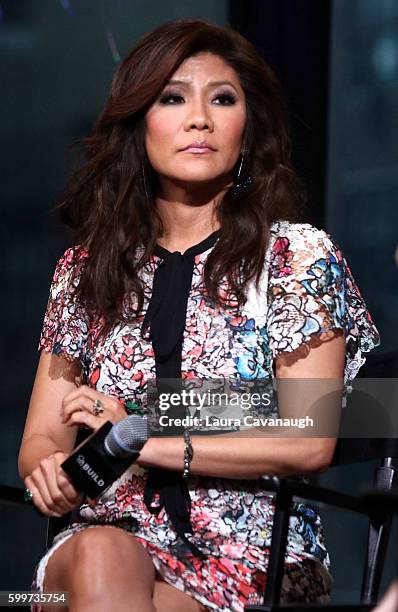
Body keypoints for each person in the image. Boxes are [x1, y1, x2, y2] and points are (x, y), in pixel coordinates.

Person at [18, 19, 381, 612]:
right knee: (102, 556)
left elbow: (309, 436)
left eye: (222, 98)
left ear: (247, 126)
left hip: (257, 561)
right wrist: (51, 473)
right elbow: (40, 439)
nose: (199, 119)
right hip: (96, 542)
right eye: (172, 97)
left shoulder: (296, 256)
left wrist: (142, 439)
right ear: (139, 125)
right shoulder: (87, 269)